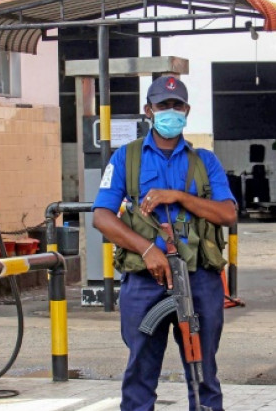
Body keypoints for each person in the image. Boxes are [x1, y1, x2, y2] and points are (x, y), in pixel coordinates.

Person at [92, 75, 237, 411]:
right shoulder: (126, 158)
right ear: (149, 110)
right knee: (140, 373)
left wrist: (179, 196)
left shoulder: (205, 161)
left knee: (203, 372)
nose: (170, 111)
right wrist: (147, 250)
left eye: (177, 105)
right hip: (146, 278)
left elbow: (228, 214)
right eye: (163, 105)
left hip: (199, 277)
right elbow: (102, 216)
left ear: (187, 110)